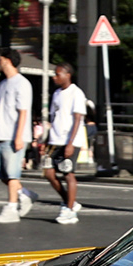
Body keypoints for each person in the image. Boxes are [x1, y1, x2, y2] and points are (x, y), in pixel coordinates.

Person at [0, 49, 36, 222]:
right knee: (1, 174)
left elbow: (23, 112)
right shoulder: (3, 84)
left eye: (0, 59)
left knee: (12, 174)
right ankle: (25, 195)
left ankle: (11, 209)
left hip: (14, 135)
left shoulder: (21, 83)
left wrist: (19, 136)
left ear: (7, 60)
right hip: (0, 135)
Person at [40, 59, 88, 224]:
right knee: (49, 173)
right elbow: (54, 118)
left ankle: (69, 211)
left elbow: (77, 119)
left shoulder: (76, 93)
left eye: (57, 74)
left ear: (67, 75)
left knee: (68, 174)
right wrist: (46, 140)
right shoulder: (56, 94)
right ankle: (70, 201)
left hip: (70, 140)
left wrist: (71, 143)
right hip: (55, 140)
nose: (54, 77)